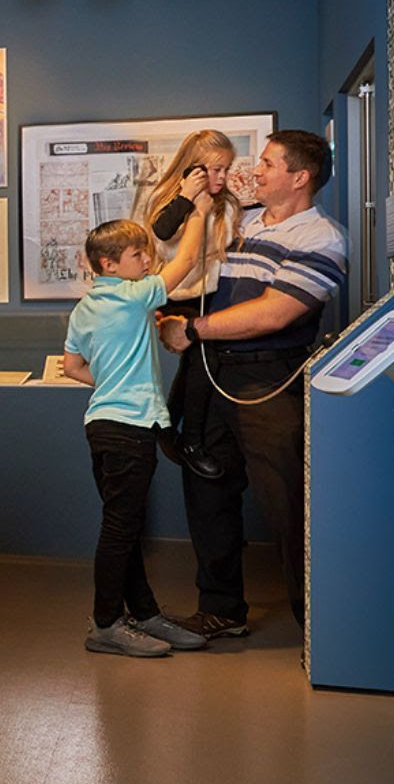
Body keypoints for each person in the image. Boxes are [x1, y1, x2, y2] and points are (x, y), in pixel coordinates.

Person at [158, 131, 347, 638]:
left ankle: (320, 626)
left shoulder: (321, 237)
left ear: (299, 177)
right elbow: (192, 270)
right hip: (211, 372)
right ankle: (220, 609)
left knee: (287, 500)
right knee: (207, 487)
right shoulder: (241, 221)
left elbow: (275, 311)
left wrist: (191, 329)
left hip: (269, 377)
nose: (255, 171)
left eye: (267, 164)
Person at [61, 209, 217, 658]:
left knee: (123, 526)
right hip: (130, 428)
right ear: (108, 264)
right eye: (137, 254)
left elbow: (73, 367)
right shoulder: (131, 297)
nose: (147, 260)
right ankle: (106, 623)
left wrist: (112, 382)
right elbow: (184, 264)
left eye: (147, 253)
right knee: (120, 529)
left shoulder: (85, 308)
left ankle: (144, 613)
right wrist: (199, 211)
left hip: (103, 425)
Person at [131, 131, 248, 480]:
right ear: (192, 168)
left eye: (226, 169)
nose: (222, 178)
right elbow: (163, 232)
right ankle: (191, 440)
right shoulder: (166, 200)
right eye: (214, 170)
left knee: (198, 362)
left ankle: (169, 426)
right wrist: (188, 198)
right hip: (177, 295)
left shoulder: (225, 204)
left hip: (211, 296)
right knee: (203, 357)